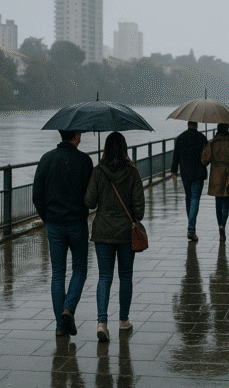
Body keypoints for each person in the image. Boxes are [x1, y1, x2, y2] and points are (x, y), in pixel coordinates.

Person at [33, 129, 94, 337]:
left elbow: (37, 195)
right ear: (75, 136)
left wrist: (48, 218)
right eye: (80, 134)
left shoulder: (46, 159)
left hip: (55, 225)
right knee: (80, 269)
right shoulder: (85, 161)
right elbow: (90, 196)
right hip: (77, 223)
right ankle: (69, 308)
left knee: (58, 275)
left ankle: (60, 326)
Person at [84, 132, 144, 342]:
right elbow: (140, 210)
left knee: (105, 276)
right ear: (125, 149)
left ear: (106, 149)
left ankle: (102, 322)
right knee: (125, 276)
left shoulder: (98, 172)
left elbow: (90, 202)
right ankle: (123, 320)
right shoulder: (133, 172)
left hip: (103, 232)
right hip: (126, 233)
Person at [201, 123, 229, 241]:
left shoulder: (212, 143)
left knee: (218, 203)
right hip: (228, 174)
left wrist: (205, 149)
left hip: (216, 175)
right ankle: (223, 224)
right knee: (226, 204)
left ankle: (220, 226)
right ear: (228, 129)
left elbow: (204, 161)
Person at [170, 121, 208, 241]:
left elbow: (176, 155)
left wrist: (174, 170)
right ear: (197, 125)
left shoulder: (180, 138)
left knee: (188, 198)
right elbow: (206, 156)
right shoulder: (202, 138)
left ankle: (191, 226)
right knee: (195, 199)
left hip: (185, 173)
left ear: (187, 125)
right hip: (198, 172)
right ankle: (191, 229)